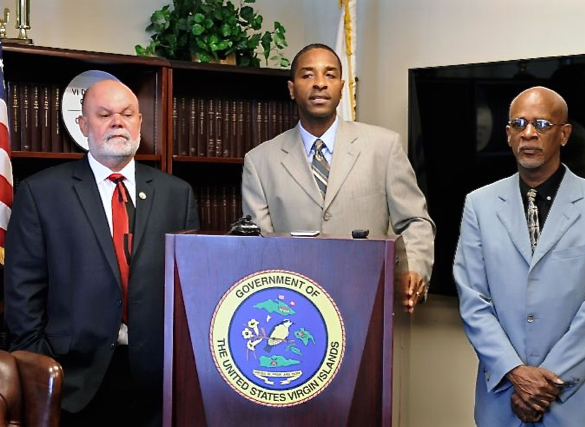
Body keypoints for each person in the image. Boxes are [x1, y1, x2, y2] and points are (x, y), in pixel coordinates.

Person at [4, 79, 199, 426]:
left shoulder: (177, 193)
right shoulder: (41, 193)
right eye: (104, 114)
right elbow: (22, 290)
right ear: (83, 125)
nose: (117, 122)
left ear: (140, 122)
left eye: (127, 114)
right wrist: (40, 361)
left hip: (157, 380)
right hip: (72, 379)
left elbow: (192, 290)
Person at [454, 86, 585, 426]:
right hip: (503, 397)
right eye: (518, 124)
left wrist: (544, 382)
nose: (529, 133)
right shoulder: (479, 204)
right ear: (508, 135)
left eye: (542, 125)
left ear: (564, 135)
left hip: (575, 400)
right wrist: (516, 373)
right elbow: (473, 300)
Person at [242, 43, 435, 313]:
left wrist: (412, 270)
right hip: (295, 311)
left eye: (329, 75)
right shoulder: (260, 162)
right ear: (291, 88)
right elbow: (257, 248)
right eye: (308, 75)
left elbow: (415, 221)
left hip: (370, 303)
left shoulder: (384, 146)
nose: (320, 84)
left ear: (342, 87)